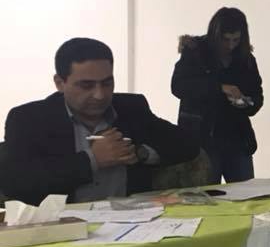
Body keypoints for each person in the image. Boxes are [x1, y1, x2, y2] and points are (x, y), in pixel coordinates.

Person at [0, 38, 199, 205]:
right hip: (61, 228)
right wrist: (92, 159)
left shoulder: (131, 107)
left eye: (107, 83)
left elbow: (188, 145)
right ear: (60, 83)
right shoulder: (29, 119)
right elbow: (15, 183)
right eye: (86, 85)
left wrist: (140, 153)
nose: (99, 95)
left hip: (133, 223)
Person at [171, 7, 263, 183]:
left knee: (245, 193)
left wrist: (247, 103)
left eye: (236, 40)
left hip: (237, 141)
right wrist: (220, 88)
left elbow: (257, 96)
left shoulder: (246, 59)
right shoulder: (195, 51)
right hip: (202, 140)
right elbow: (178, 86)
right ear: (215, 35)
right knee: (205, 195)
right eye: (225, 40)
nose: (230, 45)